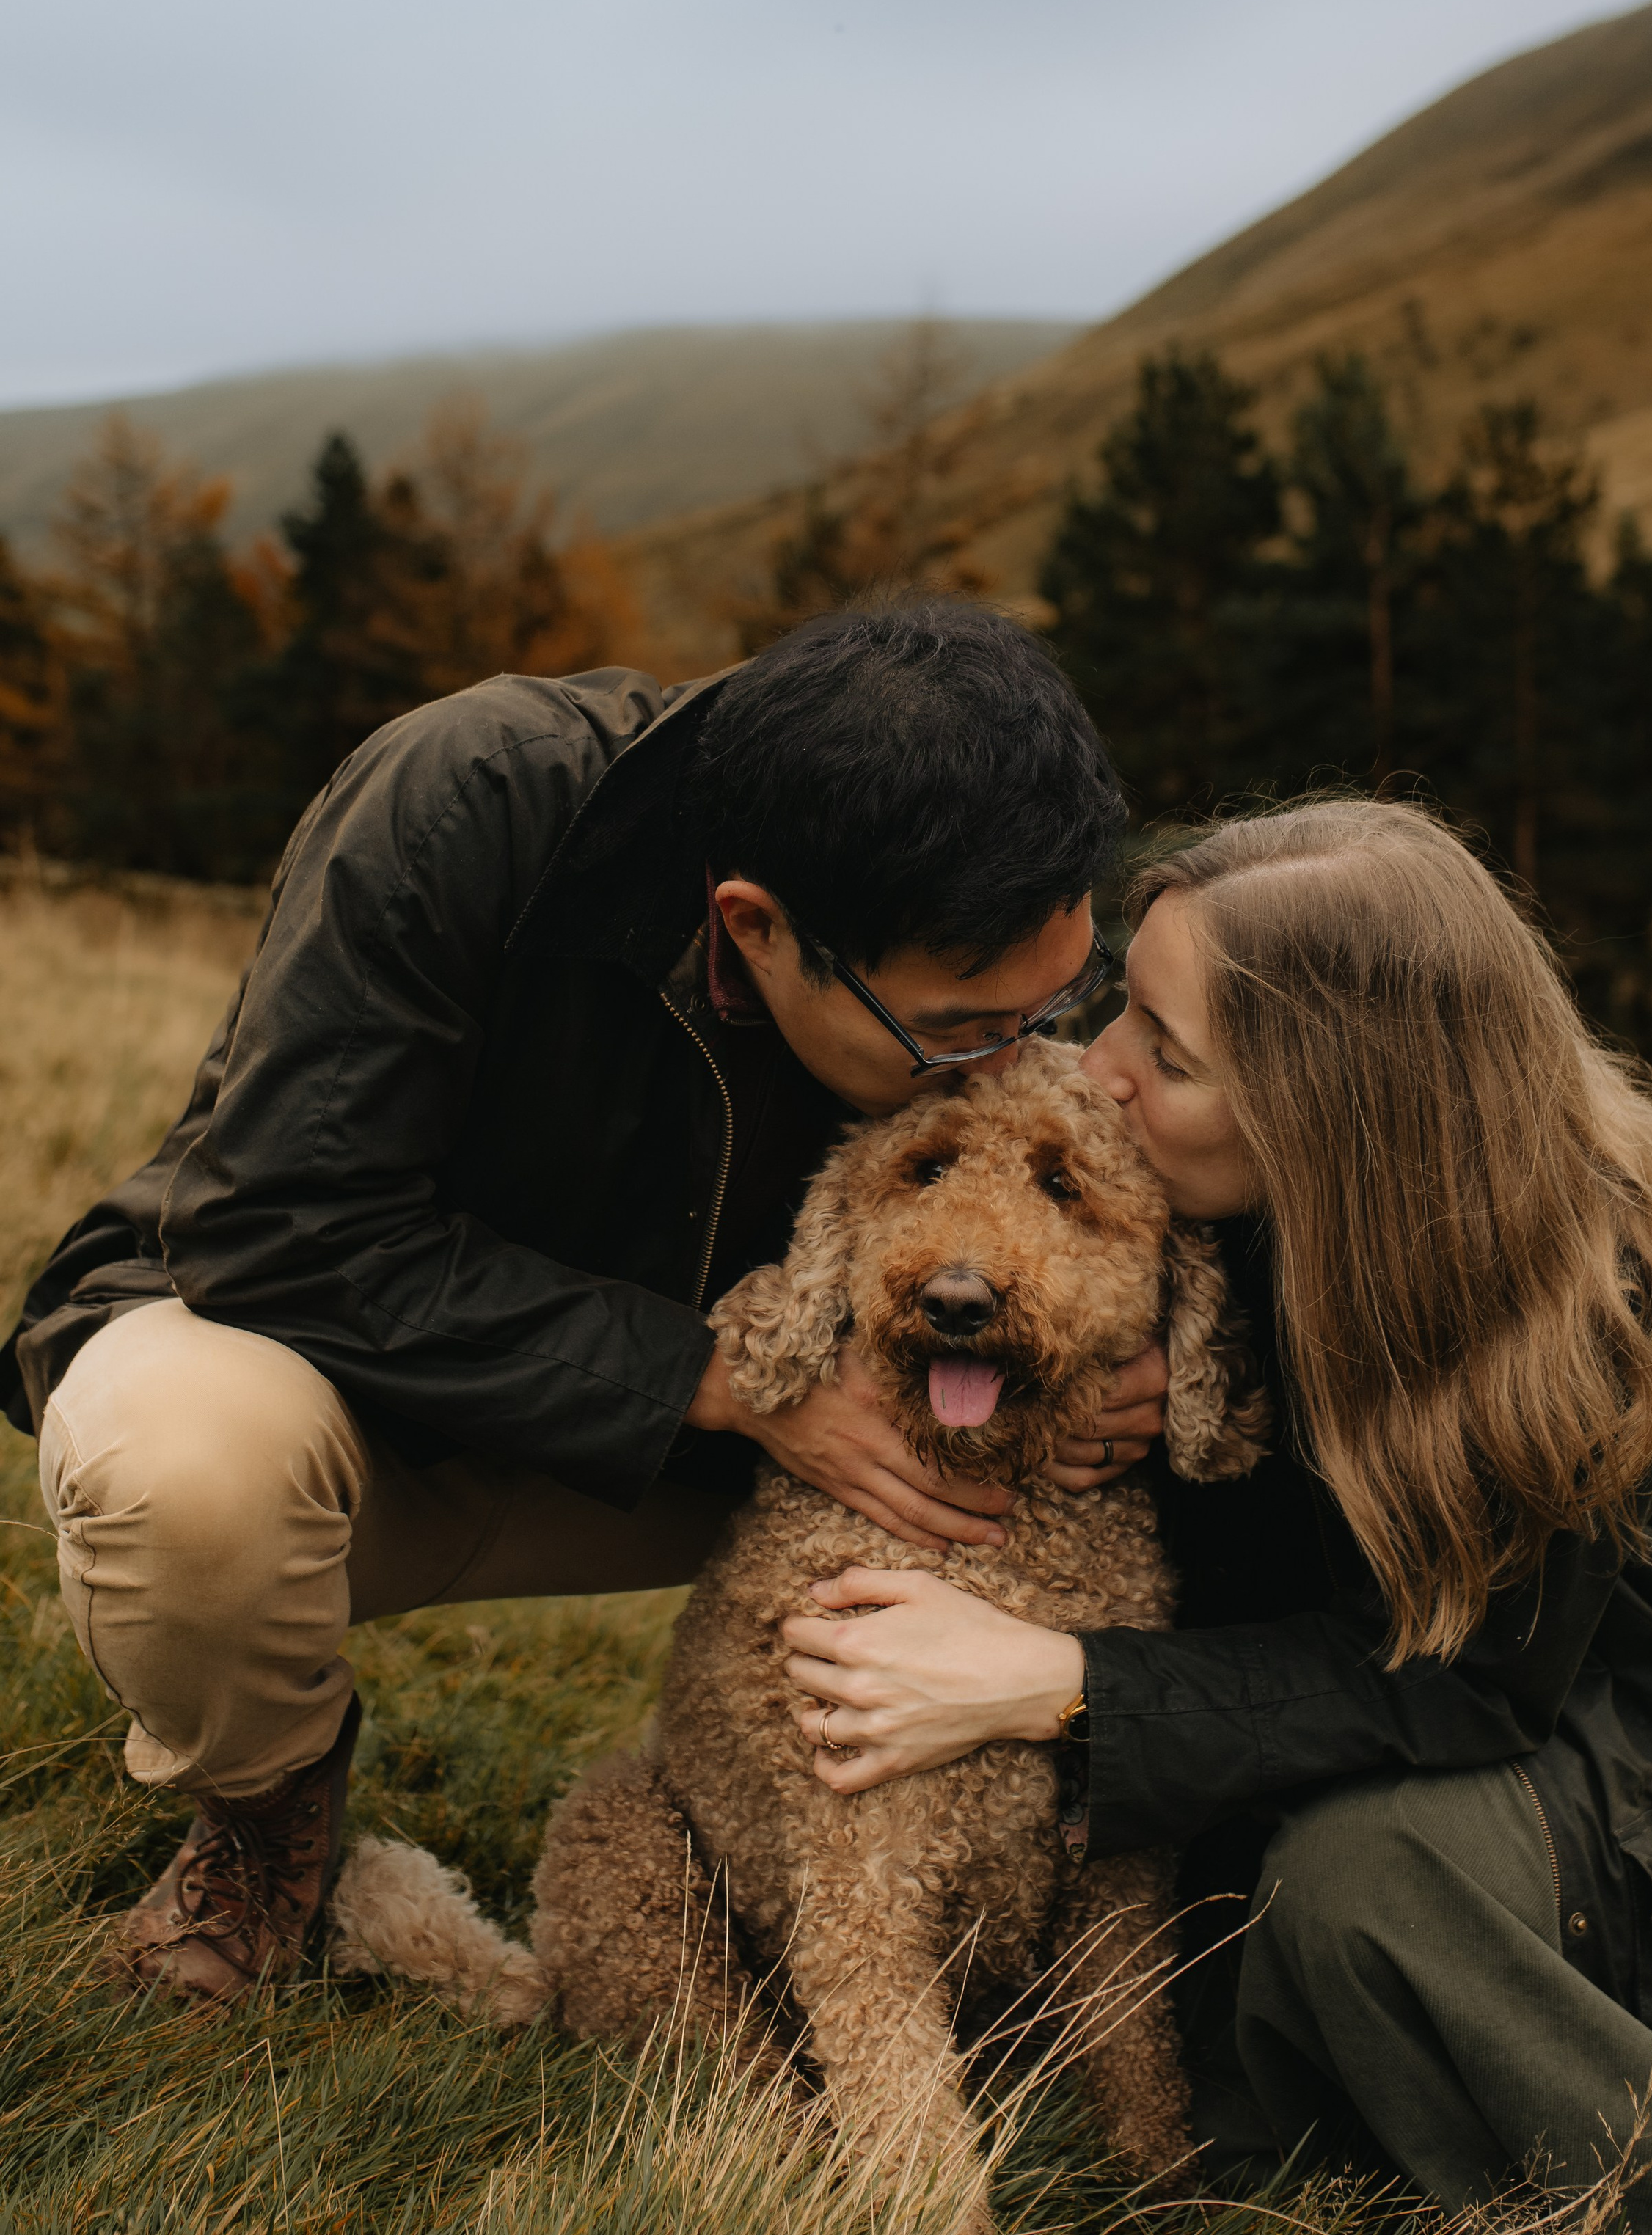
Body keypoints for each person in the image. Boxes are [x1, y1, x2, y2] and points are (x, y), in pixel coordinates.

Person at [780, 797, 1652, 2235]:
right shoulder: (1218, 1223)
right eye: (1117, 1007)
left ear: (1328, 1108)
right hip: (1393, 1750)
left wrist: (1060, 1681)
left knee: (1342, 1892)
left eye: (1162, 1050)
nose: (1095, 1064)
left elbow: (1461, 1682)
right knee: (1191, 1986)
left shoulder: (1573, 1299)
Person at [1, 602, 1166, 2002]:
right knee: (172, 1474)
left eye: (1054, 1008)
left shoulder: (959, 880)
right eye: (960, 1033)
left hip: (718, 1463)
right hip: (361, 1397)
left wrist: (1115, 1355)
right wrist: (717, 1382)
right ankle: (265, 1821)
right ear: (759, 926)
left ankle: (1048, 1905)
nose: (1008, 1071)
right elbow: (281, 1230)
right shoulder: (467, 801)